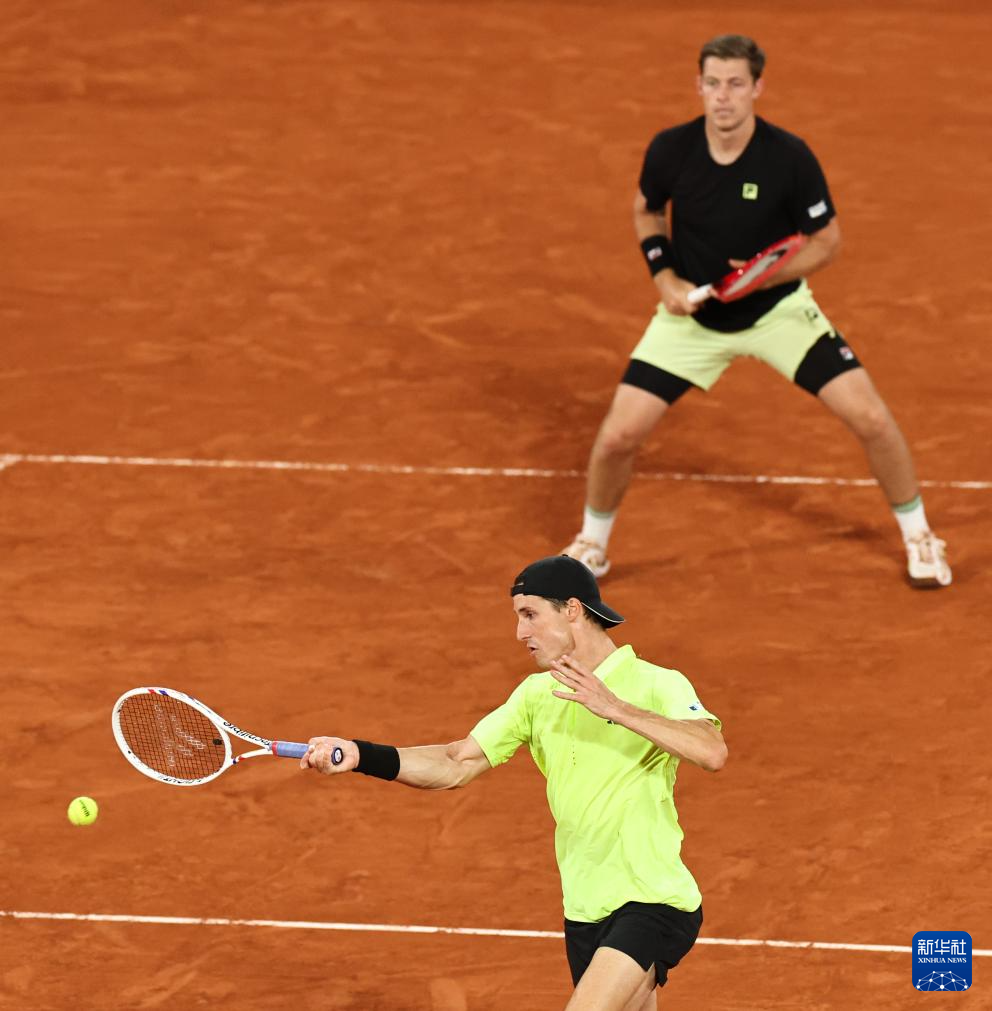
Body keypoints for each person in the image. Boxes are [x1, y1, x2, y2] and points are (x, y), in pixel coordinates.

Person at [562, 33, 952, 589]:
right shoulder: (671, 149)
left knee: (869, 418)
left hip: (778, 315)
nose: (723, 96)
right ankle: (592, 546)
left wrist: (760, 279)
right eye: (713, 84)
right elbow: (647, 210)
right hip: (692, 322)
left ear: (756, 88)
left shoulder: (789, 158)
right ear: (699, 86)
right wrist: (665, 276)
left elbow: (826, 242)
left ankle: (920, 536)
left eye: (735, 84)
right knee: (617, 438)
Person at [301, 555, 726, 1011]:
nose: (521, 633)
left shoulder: (655, 683)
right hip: (584, 910)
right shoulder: (536, 695)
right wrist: (361, 754)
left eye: (530, 614)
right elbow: (456, 762)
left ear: (572, 609)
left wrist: (616, 708)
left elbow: (711, 751)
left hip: (651, 899)